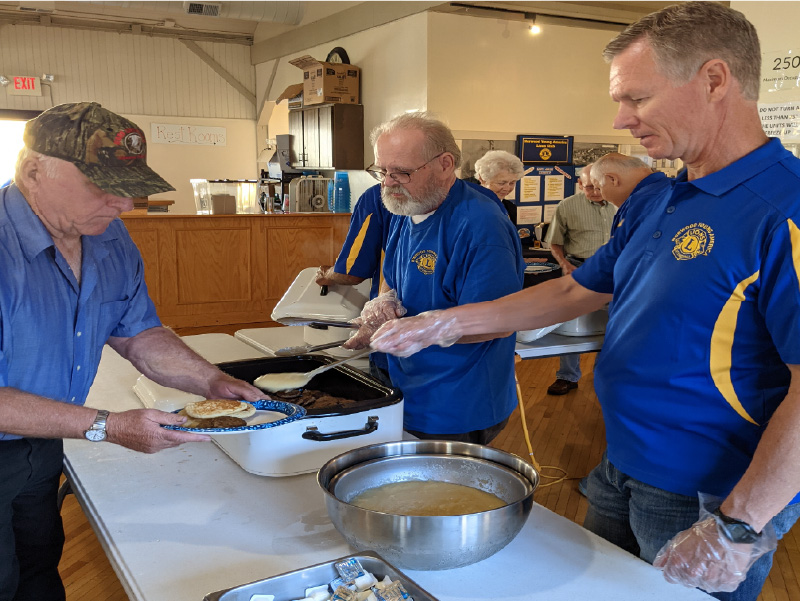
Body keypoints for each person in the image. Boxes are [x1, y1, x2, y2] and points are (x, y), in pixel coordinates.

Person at [367, 3, 799, 600]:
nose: (621, 121)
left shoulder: (784, 206)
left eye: (636, 99)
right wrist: (441, 324)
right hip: (619, 463)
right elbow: (574, 289)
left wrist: (740, 522)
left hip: (707, 493)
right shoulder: (658, 198)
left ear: (715, 79)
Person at [0, 102, 265, 601]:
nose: (122, 203)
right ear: (33, 170)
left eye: (127, 186)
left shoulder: (107, 236)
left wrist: (210, 380)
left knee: (37, 570)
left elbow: (137, 333)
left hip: (39, 442)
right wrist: (109, 425)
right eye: (101, 185)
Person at [347, 111, 525, 443]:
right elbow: (393, 273)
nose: (387, 182)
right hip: (407, 386)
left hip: (457, 401)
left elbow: (501, 320)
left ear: (445, 164)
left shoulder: (479, 225)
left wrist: (426, 330)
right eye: (381, 171)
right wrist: (384, 301)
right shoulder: (408, 204)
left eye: (400, 171)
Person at [543, 163, 617, 396]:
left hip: (614, 272)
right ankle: (567, 376)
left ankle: (602, 375)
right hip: (580, 269)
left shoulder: (619, 205)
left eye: (598, 187)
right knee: (571, 324)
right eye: (588, 188)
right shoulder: (567, 206)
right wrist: (565, 265)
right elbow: (554, 242)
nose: (595, 192)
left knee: (613, 322)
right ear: (579, 184)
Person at [315, 184, 394, 385]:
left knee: (388, 408)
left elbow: (351, 273)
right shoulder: (472, 201)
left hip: (391, 335)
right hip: (455, 350)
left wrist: (327, 274)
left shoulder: (377, 196)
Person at [589, 152, 670, 232]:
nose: (599, 194)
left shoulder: (636, 208)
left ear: (612, 179)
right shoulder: (674, 189)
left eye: (599, 188)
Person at [473, 149, 526, 223]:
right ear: (482, 179)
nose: (507, 188)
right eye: (501, 183)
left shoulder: (510, 208)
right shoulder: (470, 207)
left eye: (512, 183)